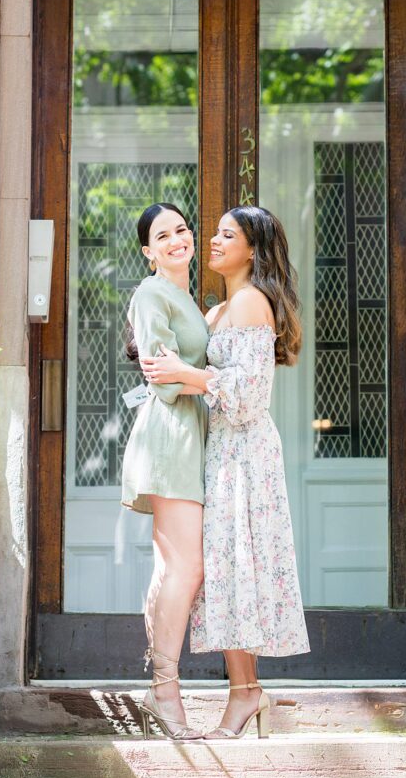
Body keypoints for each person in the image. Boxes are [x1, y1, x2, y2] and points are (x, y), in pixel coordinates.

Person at [141, 205, 310, 740]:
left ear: (253, 250)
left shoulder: (252, 303)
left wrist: (189, 374)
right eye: (211, 231)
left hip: (245, 453)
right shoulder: (217, 310)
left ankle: (246, 694)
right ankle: (245, 693)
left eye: (227, 235)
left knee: (237, 567)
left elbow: (250, 398)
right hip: (220, 451)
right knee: (226, 572)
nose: (212, 241)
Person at [121, 203, 209, 741]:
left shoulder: (185, 298)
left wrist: (196, 374)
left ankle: (161, 687)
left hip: (188, 435)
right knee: (187, 568)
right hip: (171, 436)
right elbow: (164, 378)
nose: (177, 239)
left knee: (172, 567)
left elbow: (182, 370)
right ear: (148, 251)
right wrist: (216, 378)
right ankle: (164, 691)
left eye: (181, 229)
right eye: (163, 235)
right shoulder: (151, 293)